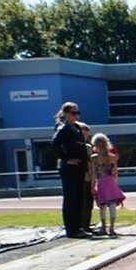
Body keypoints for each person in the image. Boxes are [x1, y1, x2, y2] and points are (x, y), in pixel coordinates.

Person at [51, 101, 90, 238]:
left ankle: (79, 227)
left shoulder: (76, 128)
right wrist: (66, 159)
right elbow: (55, 143)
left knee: (79, 198)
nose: (76, 116)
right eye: (73, 113)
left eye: (77, 113)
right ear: (66, 114)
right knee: (71, 198)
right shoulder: (63, 128)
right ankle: (71, 229)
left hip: (79, 168)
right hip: (69, 169)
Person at [90, 132, 126, 237]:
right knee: (112, 205)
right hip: (110, 182)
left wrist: (92, 186)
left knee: (102, 206)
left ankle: (103, 227)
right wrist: (115, 183)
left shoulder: (94, 158)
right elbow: (115, 172)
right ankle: (112, 228)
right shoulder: (112, 157)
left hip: (100, 182)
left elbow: (93, 174)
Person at [77, 121, 97, 234]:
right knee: (81, 202)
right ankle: (80, 226)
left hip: (89, 177)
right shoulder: (76, 147)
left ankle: (86, 225)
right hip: (80, 178)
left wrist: (93, 180)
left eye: (86, 134)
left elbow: (91, 164)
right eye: (83, 133)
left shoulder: (89, 147)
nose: (85, 136)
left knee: (89, 203)